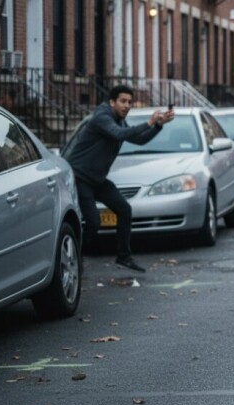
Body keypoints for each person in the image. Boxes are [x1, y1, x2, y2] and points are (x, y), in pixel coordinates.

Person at [65, 85, 174, 272]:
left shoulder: (118, 120)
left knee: (124, 209)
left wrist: (158, 125)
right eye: (123, 101)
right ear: (112, 102)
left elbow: (139, 140)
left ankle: (123, 256)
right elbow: (119, 134)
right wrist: (148, 122)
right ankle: (75, 257)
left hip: (97, 180)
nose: (127, 106)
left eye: (130, 102)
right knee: (93, 223)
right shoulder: (102, 117)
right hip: (80, 177)